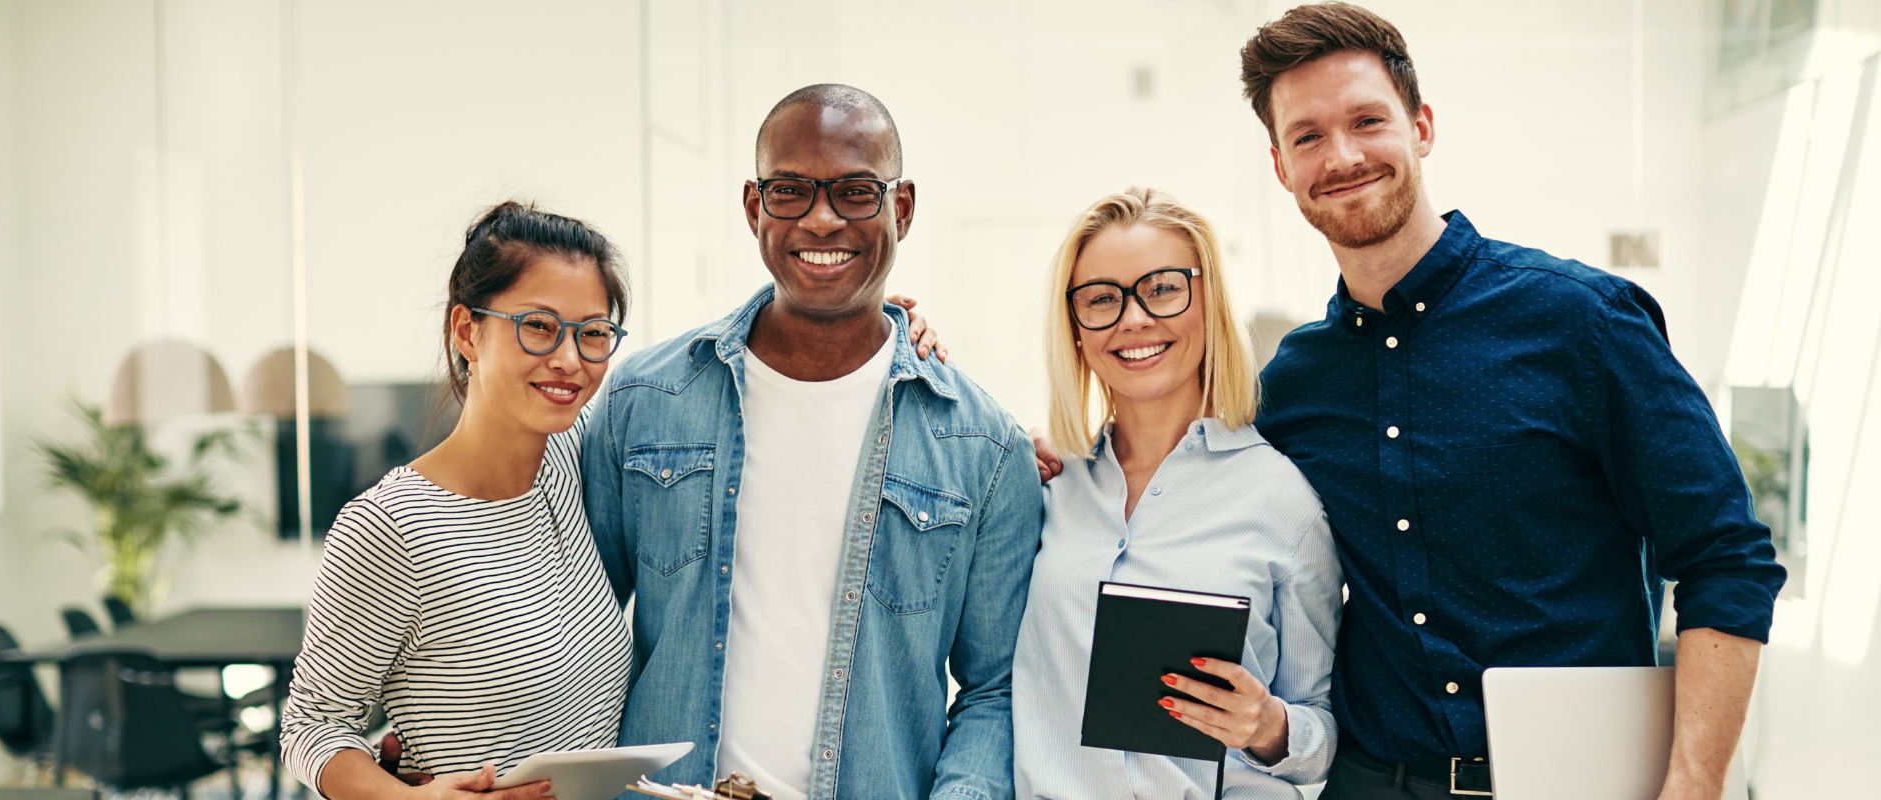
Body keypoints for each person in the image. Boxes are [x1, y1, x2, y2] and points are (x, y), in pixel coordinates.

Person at [1236, 5, 1785, 799]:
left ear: (1422, 127)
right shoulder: (1292, 384)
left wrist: (1693, 783)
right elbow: (1194, 481)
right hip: (1372, 781)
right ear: (1282, 166)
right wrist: (1057, 462)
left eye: (1367, 120)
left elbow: (1725, 555)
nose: (1343, 155)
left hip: (1582, 780)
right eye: (1308, 136)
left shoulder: (1583, 323)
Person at [584, 83, 1041, 800]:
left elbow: (997, 688)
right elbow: (577, 627)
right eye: (790, 190)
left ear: (903, 207)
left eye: (857, 192)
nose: (822, 220)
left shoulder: (985, 448)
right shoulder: (644, 401)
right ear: (753, 207)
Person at [280, 201, 634, 800]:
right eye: (539, 326)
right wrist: (414, 799)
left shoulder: (574, 455)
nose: (570, 359)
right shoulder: (389, 527)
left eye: (593, 333)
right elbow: (310, 727)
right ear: (467, 331)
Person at [1013, 188, 1341, 800]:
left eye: (1162, 288)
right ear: (1075, 327)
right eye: (1102, 299)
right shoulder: (1045, 485)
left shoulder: (1283, 502)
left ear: (1208, 304)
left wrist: (1270, 727)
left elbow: (1320, 725)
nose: (1133, 319)